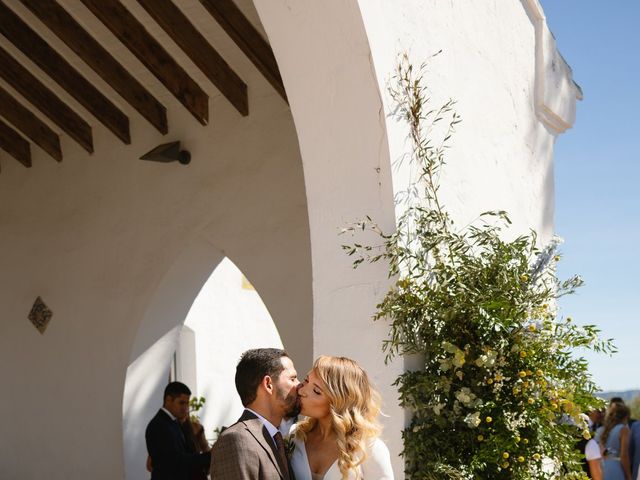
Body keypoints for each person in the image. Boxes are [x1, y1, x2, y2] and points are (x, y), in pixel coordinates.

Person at [290, 355, 394, 480]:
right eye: (306, 381)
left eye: (316, 391)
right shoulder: (294, 435)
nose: (301, 391)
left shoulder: (369, 448)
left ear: (339, 402)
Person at [210, 348, 301, 480]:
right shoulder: (236, 440)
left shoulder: (276, 438)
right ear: (268, 384)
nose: (299, 385)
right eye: (292, 379)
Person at [145, 381, 211, 480]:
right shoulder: (158, 425)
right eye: (181, 403)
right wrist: (210, 456)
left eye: (187, 403)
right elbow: (177, 462)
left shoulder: (173, 422)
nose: (185, 408)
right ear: (168, 400)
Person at [595, 402, 632, 480]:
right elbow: (624, 455)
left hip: (602, 466)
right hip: (616, 468)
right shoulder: (623, 429)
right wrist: (629, 476)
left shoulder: (602, 430)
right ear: (626, 417)